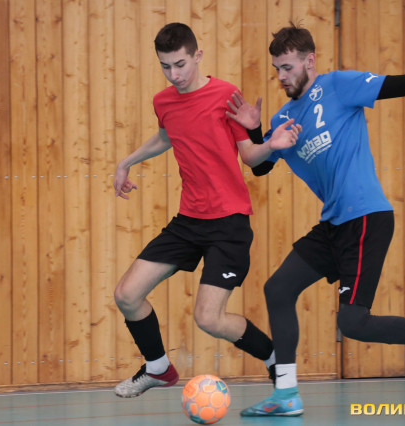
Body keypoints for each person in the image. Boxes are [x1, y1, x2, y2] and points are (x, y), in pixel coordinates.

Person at [226, 22, 405, 416]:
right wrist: (258, 131)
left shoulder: (338, 86)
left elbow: (404, 84)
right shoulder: (284, 119)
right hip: (333, 224)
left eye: (288, 67)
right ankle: (286, 395)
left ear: (310, 61)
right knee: (278, 289)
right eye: (277, 69)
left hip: (366, 217)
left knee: (353, 323)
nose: (281, 76)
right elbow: (261, 167)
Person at [112, 22, 301, 399]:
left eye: (180, 64)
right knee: (127, 295)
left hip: (228, 224)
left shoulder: (226, 95)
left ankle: (273, 357)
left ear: (197, 55)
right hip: (188, 221)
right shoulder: (163, 102)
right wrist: (125, 162)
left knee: (208, 318)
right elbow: (166, 136)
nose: (174, 74)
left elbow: (250, 157)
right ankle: (158, 368)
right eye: (165, 66)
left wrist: (269, 143)